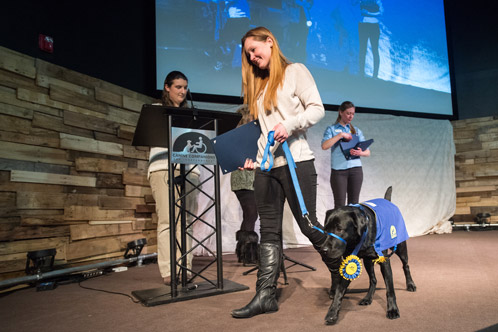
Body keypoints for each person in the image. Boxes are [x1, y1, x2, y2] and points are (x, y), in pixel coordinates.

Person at [231, 26, 337, 319]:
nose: (252, 57)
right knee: (268, 230)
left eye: (255, 50)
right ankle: (265, 295)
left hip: (297, 161)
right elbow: (263, 134)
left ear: (270, 42)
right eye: (248, 54)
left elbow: (316, 109)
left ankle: (340, 270)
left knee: (307, 225)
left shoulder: (295, 72)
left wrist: (289, 126)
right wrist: (252, 159)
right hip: (267, 168)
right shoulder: (259, 86)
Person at [147, 71, 200, 285]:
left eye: (185, 87)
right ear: (167, 87)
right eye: (178, 87)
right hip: (162, 167)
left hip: (190, 170)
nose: (183, 91)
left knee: (186, 221)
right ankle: (169, 270)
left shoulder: (191, 114)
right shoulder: (156, 111)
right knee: (168, 220)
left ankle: (185, 268)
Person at [321, 101, 370, 209]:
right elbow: (324, 146)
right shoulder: (332, 129)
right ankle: (340, 226)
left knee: (354, 204)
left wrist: (360, 152)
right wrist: (340, 135)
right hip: (339, 171)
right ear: (340, 112)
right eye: (348, 113)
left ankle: (352, 226)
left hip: (355, 169)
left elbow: (368, 152)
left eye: (353, 114)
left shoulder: (356, 131)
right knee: (339, 204)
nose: (350, 116)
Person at [230, 105, 259, 265]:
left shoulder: (249, 136)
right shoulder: (239, 135)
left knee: (250, 214)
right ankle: (247, 253)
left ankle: (244, 252)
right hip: (243, 179)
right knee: (251, 213)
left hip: (250, 179)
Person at [356, 0, 383, 78]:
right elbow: (354, 5)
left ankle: (375, 75)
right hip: (363, 25)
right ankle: (361, 73)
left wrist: (368, 13)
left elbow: (381, 13)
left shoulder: (377, 1)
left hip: (374, 26)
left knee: (374, 50)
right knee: (362, 50)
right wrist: (372, 13)